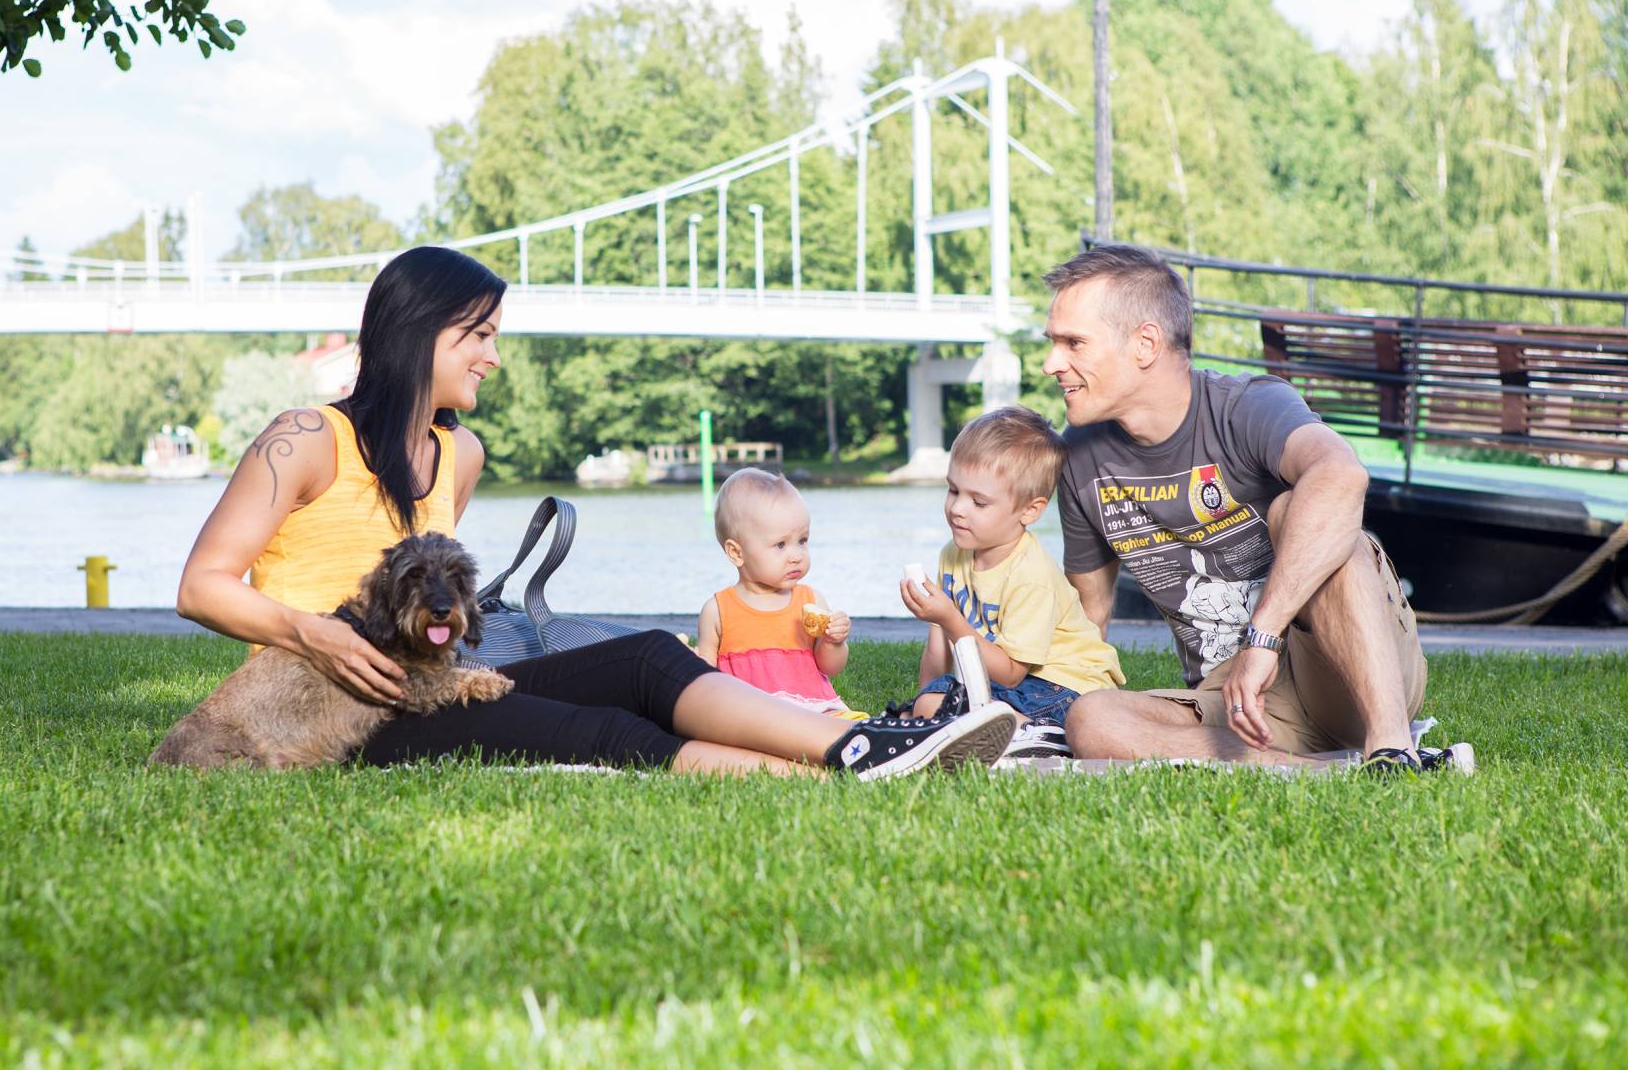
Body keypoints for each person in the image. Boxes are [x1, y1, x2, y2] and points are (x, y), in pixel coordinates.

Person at [175, 245, 1016, 779]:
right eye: (479, 335)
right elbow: (201, 587)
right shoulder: (304, 437)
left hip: (430, 684)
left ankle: (856, 743)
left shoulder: (458, 456)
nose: (494, 358)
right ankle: (840, 769)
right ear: (420, 333)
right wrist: (313, 633)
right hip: (339, 710)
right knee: (599, 727)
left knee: (647, 657)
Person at [1039, 243, 1464, 773]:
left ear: (1145, 343)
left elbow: (1342, 475)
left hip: (1348, 673)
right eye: (1053, 343)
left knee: (1305, 512)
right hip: (1240, 706)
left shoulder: (1248, 405)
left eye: (1073, 343)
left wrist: (1263, 638)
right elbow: (1088, 621)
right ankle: (1329, 771)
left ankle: (1390, 745)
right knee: (1090, 718)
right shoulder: (1079, 457)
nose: (1051, 363)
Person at [898, 406, 1125, 758]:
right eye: (953, 490)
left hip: (1068, 685)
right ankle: (975, 728)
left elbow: (1010, 675)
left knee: (970, 708)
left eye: (979, 501)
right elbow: (939, 646)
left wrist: (949, 618)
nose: (958, 509)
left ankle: (1043, 734)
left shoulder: (1031, 575)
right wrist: (922, 712)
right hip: (1012, 681)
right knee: (930, 704)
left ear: (1030, 511)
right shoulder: (954, 553)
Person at [694, 468, 858, 719]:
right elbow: (705, 679)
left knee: (849, 726)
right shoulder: (717, 611)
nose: (796, 555)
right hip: (748, 714)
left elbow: (831, 667)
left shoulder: (811, 600)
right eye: (780, 545)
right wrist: (691, 662)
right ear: (737, 553)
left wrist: (833, 642)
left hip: (812, 709)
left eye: (802, 541)